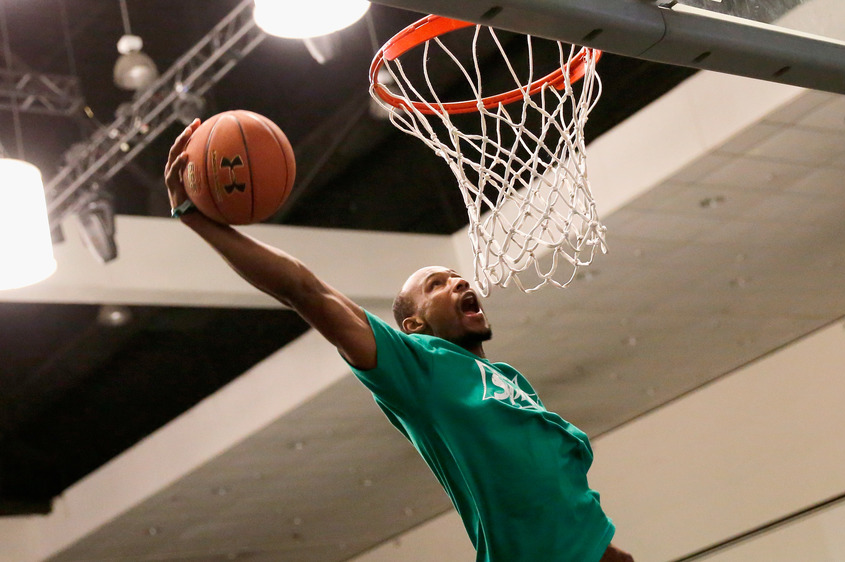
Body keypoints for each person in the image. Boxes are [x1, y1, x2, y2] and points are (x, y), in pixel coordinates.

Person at [164, 119, 634, 562]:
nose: (457, 283)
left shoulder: (509, 381)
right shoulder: (418, 368)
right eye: (436, 286)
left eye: (455, 278)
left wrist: (604, 546)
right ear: (413, 326)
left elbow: (551, 485)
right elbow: (304, 291)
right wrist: (197, 219)